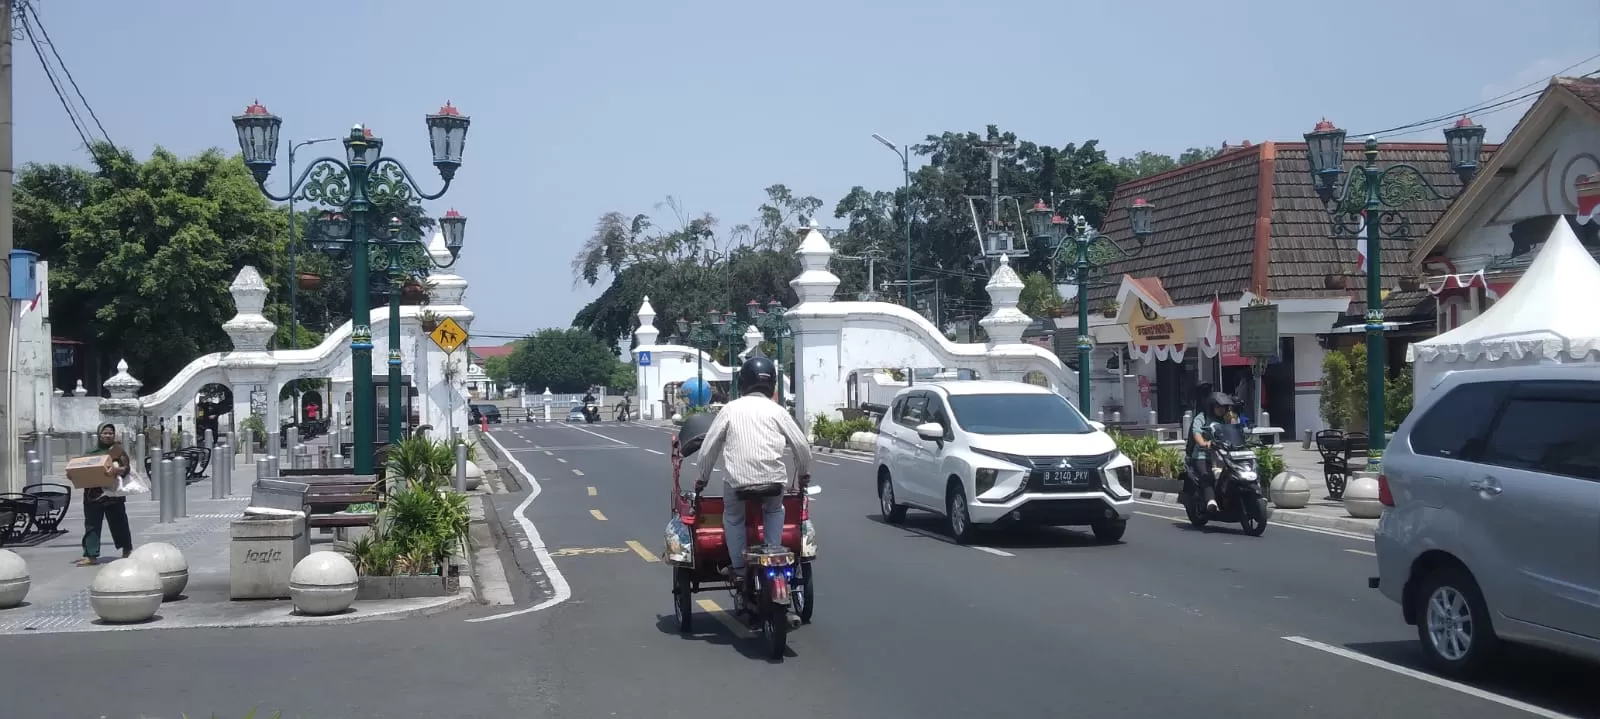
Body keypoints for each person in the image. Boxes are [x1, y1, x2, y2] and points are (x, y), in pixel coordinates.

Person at [692, 356, 813, 584]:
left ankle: (738, 568)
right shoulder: (778, 411)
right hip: (774, 481)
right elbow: (802, 446)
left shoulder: (730, 409)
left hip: (738, 483)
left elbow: (709, 448)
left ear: (743, 382)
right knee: (775, 511)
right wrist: (803, 473)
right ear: (772, 383)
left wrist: (702, 479)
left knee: (733, 517)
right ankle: (774, 551)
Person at [77, 423, 134, 566]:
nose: (108, 436)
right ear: (99, 434)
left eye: (110, 433)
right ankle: (91, 555)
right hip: (93, 495)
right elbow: (80, 469)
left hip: (113, 495)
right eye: (105, 433)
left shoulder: (117, 451)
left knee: (120, 523)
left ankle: (127, 549)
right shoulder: (90, 452)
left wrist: (117, 470)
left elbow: (127, 468)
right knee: (92, 525)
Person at [1187, 392, 1235, 513]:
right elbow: (1196, 432)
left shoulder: (1227, 418)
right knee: (1206, 476)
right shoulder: (1202, 417)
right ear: (1212, 407)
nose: (1221, 410)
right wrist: (1203, 443)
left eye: (1223, 407)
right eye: (1218, 407)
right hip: (1202, 454)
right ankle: (1211, 501)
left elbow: (1236, 430)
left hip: (1223, 454)